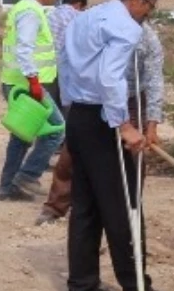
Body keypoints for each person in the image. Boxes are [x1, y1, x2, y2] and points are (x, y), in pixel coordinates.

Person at [60, 0, 174, 291]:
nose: (150, 13)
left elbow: (66, 65)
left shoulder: (86, 18)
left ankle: (82, 284)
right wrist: (124, 126)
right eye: (151, 5)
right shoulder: (126, 26)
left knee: (85, 204)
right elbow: (111, 78)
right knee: (124, 206)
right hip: (102, 121)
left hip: (79, 117)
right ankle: (136, 290)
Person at [38, 19, 163, 226]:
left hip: (130, 99)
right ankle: (55, 207)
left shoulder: (147, 38)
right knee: (71, 154)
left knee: (133, 157)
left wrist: (152, 124)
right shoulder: (98, 28)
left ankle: (129, 213)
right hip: (95, 100)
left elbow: (154, 80)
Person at [0, 0, 65, 201]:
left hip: (16, 82)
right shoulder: (30, 12)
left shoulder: (22, 8)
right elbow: (24, 49)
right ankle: (27, 176)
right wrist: (34, 81)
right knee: (56, 130)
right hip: (27, 85)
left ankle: (8, 187)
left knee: (22, 136)